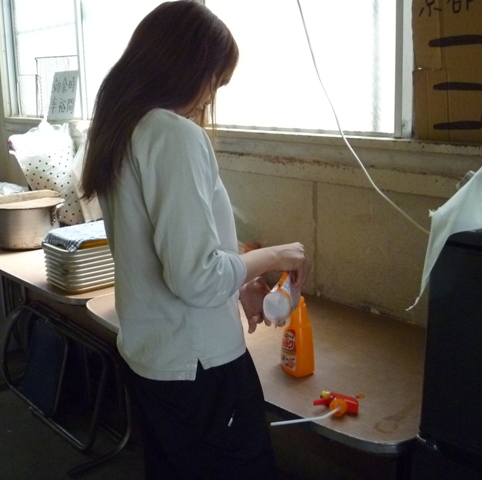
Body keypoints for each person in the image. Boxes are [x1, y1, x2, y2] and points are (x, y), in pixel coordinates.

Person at [81, 2, 311, 479]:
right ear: (186, 67)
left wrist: (238, 283)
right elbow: (195, 278)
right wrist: (277, 255)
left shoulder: (122, 130)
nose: (210, 97)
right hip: (201, 368)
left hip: (154, 360)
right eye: (214, 80)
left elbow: (173, 252)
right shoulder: (173, 134)